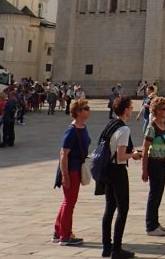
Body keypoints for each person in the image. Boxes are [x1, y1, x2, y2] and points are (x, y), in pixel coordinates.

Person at [99, 95, 142, 259]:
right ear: (125, 110)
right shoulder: (124, 129)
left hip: (107, 170)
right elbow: (121, 155)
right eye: (131, 107)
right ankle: (116, 249)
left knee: (109, 209)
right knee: (123, 209)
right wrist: (135, 154)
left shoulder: (111, 124)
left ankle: (106, 247)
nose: (132, 110)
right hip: (117, 171)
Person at [53, 98, 91, 246]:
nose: (88, 110)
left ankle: (58, 231)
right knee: (70, 202)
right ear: (78, 112)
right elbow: (63, 154)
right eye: (86, 108)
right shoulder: (72, 129)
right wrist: (65, 175)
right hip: (70, 170)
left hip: (77, 168)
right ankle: (65, 236)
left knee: (68, 202)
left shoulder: (83, 127)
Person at [141, 96, 165, 237]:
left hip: (163, 162)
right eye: (164, 109)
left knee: (159, 193)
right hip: (154, 163)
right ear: (156, 110)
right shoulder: (152, 127)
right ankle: (150, 226)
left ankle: (155, 223)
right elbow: (145, 149)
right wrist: (144, 170)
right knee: (154, 194)